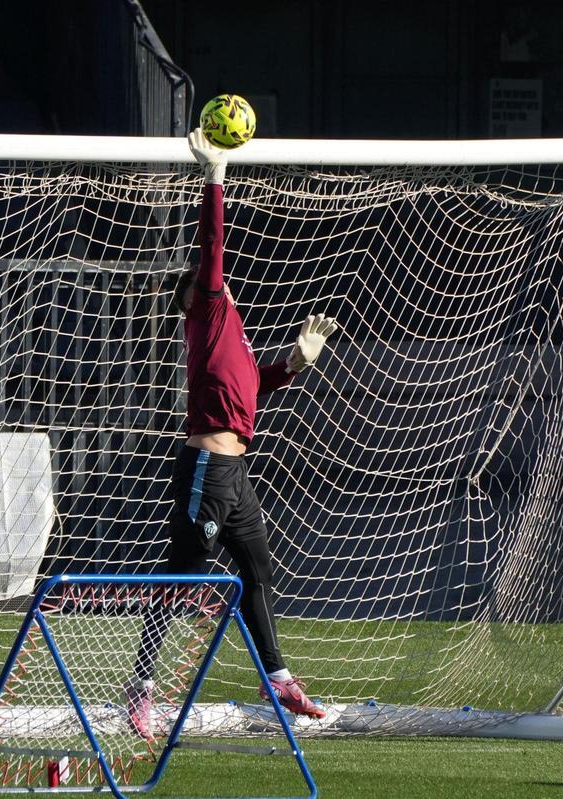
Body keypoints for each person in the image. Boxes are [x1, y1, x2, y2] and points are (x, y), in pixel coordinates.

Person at [124, 128, 339, 741]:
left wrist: (294, 366)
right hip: (207, 470)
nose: (213, 278)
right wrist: (214, 176)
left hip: (236, 474)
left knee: (257, 571)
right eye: (203, 279)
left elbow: (248, 387)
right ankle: (140, 691)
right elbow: (213, 248)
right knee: (183, 579)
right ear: (194, 298)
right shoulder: (208, 308)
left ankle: (278, 677)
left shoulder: (231, 333)